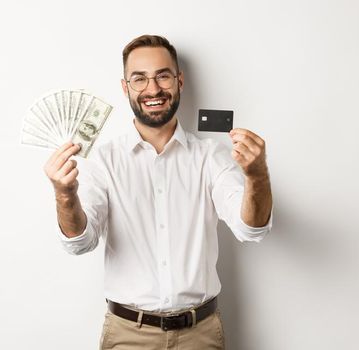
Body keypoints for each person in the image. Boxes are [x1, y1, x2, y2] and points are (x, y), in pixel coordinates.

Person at [43, 34, 273, 350]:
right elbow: (80, 243)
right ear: (125, 88)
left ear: (179, 81)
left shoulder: (210, 156)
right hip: (127, 336)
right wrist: (64, 195)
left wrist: (257, 175)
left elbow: (251, 229)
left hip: (200, 336)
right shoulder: (103, 160)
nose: (153, 89)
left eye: (163, 76)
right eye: (140, 79)